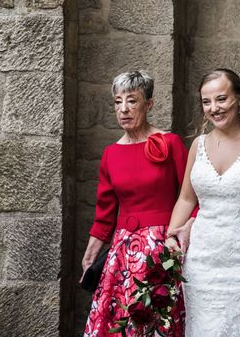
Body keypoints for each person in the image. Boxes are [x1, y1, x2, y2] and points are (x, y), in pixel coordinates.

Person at [167, 69, 240, 337]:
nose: (214, 108)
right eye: (207, 102)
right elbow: (186, 197)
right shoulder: (199, 144)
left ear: (239, 99)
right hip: (202, 262)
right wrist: (171, 235)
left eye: (221, 99)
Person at [82, 70, 192, 337]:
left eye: (132, 101)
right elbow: (105, 214)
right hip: (123, 252)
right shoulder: (111, 154)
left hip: (163, 248)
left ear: (149, 104)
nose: (124, 109)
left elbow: (192, 195)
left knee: (159, 320)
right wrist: (91, 254)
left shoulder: (171, 143)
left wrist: (186, 231)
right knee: (118, 322)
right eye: (118, 102)